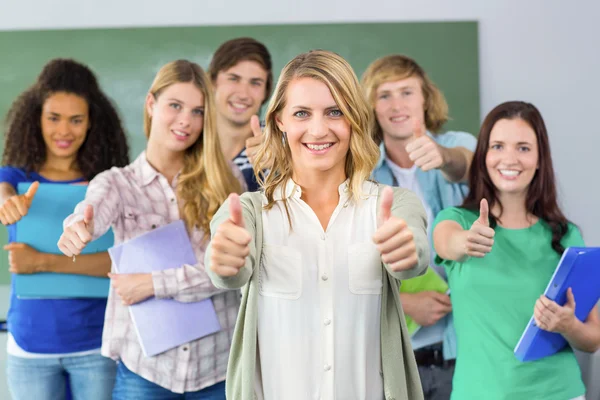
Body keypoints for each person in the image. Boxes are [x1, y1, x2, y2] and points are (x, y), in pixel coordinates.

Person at [206, 50, 429, 400]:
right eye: (301, 114)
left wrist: (408, 252)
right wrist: (224, 262)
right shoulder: (249, 212)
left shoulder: (391, 205)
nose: (318, 129)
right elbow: (228, 269)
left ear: (354, 117)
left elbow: (415, 251)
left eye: (335, 112)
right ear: (279, 120)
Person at [58, 60, 244, 399]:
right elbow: (91, 211)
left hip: (217, 369)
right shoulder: (117, 183)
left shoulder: (226, 179)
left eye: (198, 111)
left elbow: (232, 271)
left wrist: (151, 284)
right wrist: (78, 226)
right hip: (145, 373)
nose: (186, 121)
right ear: (151, 104)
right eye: (175, 105)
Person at [432, 101, 600, 400]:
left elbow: (592, 338)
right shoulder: (455, 221)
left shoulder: (565, 234)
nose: (509, 158)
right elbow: (447, 242)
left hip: (559, 393)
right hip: (479, 394)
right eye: (497, 146)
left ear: (539, 159)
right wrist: (467, 242)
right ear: (483, 156)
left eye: (523, 148)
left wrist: (568, 325)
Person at [0, 58, 129, 400]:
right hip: (30, 347)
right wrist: (7, 202)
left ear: (91, 124)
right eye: (53, 118)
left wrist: (41, 262)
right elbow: (2, 194)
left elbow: (120, 263)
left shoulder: (110, 184)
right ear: (36, 119)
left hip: (96, 345)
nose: (64, 131)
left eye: (76, 120)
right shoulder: (15, 178)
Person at [362, 54, 477, 399]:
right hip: (391, 351)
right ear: (373, 107)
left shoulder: (458, 143)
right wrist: (407, 303)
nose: (397, 104)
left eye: (407, 92)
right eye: (384, 95)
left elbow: (467, 166)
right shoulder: (360, 171)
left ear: (425, 98)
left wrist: (442, 157)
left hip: (460, 345)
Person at [208, 37, 273, 191]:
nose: (243, 94)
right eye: (233, 79)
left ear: (266, 91)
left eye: (255, 83)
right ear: (212, 82)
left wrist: (282, 167)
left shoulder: (282, 143)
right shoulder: (189, 140)